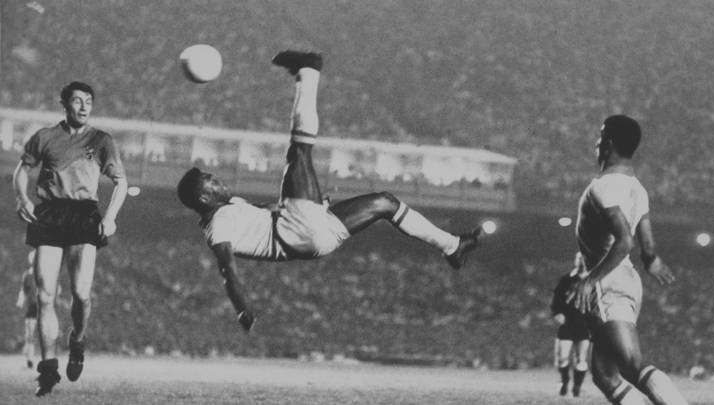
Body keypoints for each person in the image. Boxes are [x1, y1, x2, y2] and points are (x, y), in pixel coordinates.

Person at [177, 50, 484, 332]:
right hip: (296, 232)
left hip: (313, 235)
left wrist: (313, 205)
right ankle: (308, 72)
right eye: (211, 181)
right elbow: (226, 269)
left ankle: (452, 246)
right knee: (298, 152)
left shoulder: (231, 208)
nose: (218, 181)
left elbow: (265, 216)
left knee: (385, 203)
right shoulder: (218, 225)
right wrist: (242, 309)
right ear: (204, 197)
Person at [12, 81, 128, 397]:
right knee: (45, 295)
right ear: (64, 103)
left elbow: (120, 181)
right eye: (77, 101)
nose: (84, 106)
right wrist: (22, 197)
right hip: (49, 212)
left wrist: (110, 216)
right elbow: (21, 171)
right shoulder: (45, 137)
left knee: (80, 292)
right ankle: (48, 369)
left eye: (88, 101)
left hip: (83, 213)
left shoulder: (101, 140)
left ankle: (78, 338)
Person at [568, 115, 687, 405]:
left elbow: (625, 240)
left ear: (608, 144)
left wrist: (589, 279)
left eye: (600, 137)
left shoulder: (602, 187)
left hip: (607, 282)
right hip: (628, 280)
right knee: (603, 373)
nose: (596, 143)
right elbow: (647, 247)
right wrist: (652, 262)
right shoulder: (638, 188)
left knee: (633, 364)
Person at [551, 252, 591, 397]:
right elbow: (556, 301)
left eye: (583, 259)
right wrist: (557, 313)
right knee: (563, 357)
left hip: (584, 324)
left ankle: (577, 387)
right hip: (568, 323)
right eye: (579, 259)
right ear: (575, 261)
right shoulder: (566, 280)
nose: (581, 262)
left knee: (581, 358)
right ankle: (564, 381)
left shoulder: (592, 280)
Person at [16, 249, 39, 369]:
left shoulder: (45, 274)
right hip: (32, 307)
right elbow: (23, 291)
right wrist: (20, 303)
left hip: (43, 308)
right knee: (30, 335)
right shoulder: (28, 276)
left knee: (44, 335)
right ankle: (30, 360)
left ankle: (47, 360)